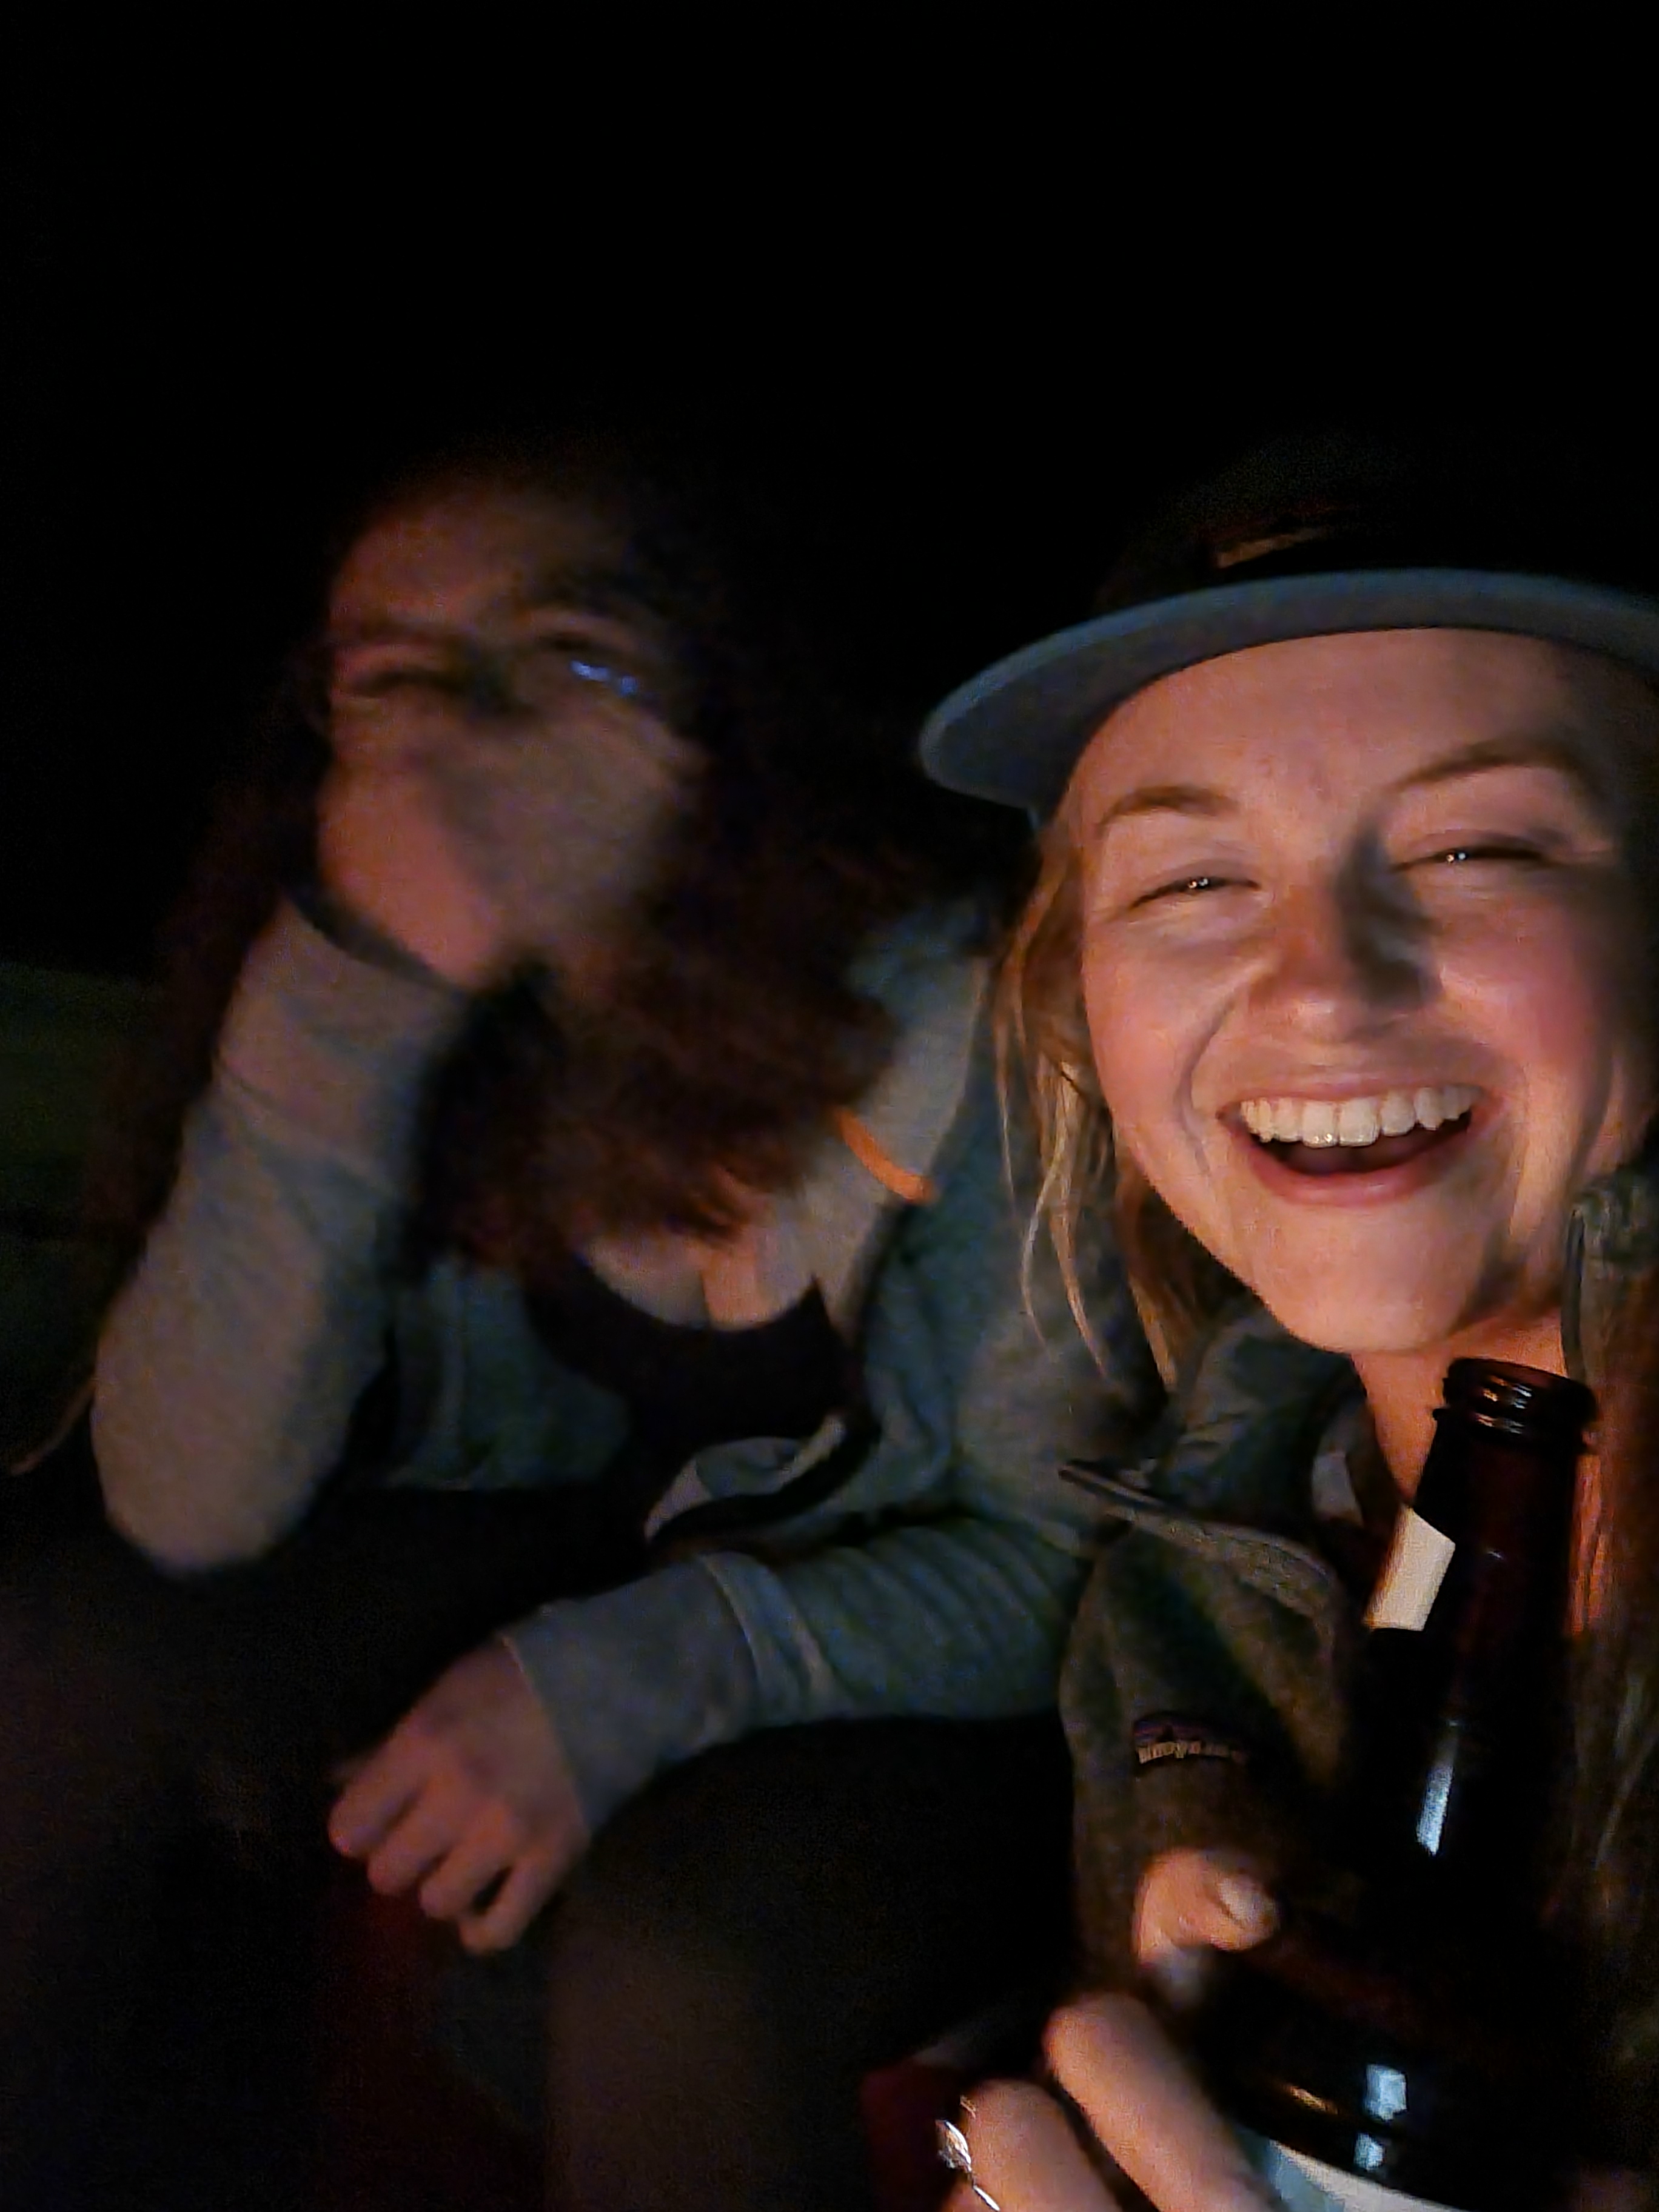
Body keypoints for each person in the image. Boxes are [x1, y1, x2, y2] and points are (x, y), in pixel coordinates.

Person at [0, 433, 1162, 2210]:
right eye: (391, 683)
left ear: (719, 708)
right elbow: (185, 1498)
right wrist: (351, 998)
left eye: (567, 658)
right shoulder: (389, 996)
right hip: (571, 1551)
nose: (463, 740)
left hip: (933, 1669)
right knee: (69, 1645)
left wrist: (652, 1670)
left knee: (686, 1943)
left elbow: (1058, 1563)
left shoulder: (965, 1012)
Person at [917, 428, 1659, 2207]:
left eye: (1478, 846)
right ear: (1080, 996)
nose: (1324, 987)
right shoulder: (1178, 1609)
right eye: (1191, 880)